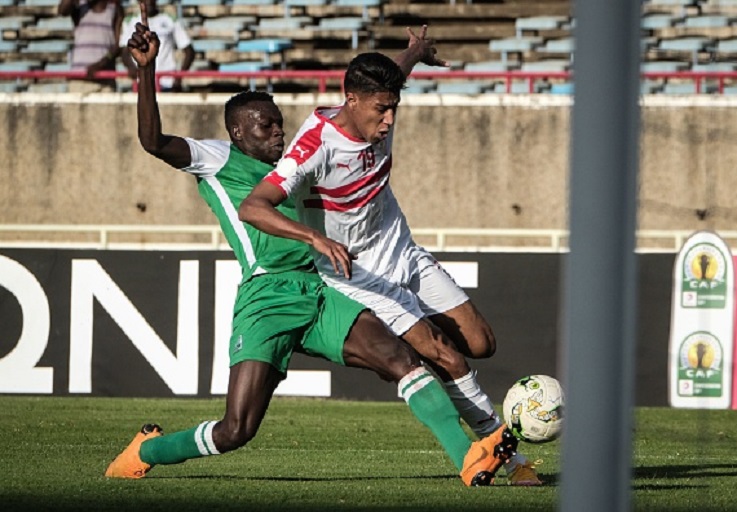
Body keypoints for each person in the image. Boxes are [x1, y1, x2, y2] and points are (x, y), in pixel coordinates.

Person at [104, 10, 516, 488]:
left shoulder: (305, 150)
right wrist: (146, 68)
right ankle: (147, 450)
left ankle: (470, 458)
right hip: (267, 298)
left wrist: (414, 54)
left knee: (403, 361)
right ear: (238, 134)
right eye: (266, 128)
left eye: (279, 124)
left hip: (321, 287)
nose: (277, 133)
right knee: (235, 430)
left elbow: (376, 93)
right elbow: (153, 141)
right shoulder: (218, 159)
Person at [237, 34, 542, 486]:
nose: (390, 119)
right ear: (352, 100)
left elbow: (394, 75)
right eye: (381, 109)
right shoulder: (313, 147)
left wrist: (416, 52)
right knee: (447, 356)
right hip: (358, 274)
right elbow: (253, 206)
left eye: (394, 106)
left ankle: (453, 390)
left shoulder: (379, 105)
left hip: (403, 252)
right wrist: (312, 239)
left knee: (479, 344)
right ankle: (509, 461)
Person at [119, 0, 194, 92]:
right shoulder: (130, 22)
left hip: (167, 82)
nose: (149, 1)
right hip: (142, 83)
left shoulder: (169, 19)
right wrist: (133, 69)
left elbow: (189, 50)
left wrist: (179, 77)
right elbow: (124, 52)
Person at [58, 0, 124, 92]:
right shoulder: (79, 7)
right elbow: (62, 11)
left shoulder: (115, 8)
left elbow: (118, 46)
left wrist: (100, 64)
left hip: (105, 81)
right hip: (79, 80)